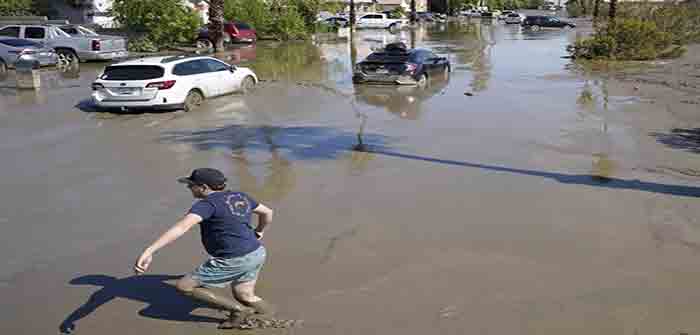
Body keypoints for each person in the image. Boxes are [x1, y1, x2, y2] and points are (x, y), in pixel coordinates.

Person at [134, 168, 275, 329]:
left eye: (191, 185)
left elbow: (181, 228)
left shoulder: (207, 205)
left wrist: (150, 250)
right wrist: (259, 230)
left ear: (203, 187)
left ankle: (238, 312)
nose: (189, 188)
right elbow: (267, 212)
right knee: (245, 294)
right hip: (256, 252)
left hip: (234, 258)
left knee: (184, 286)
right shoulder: (239, 196)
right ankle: (268, 317)